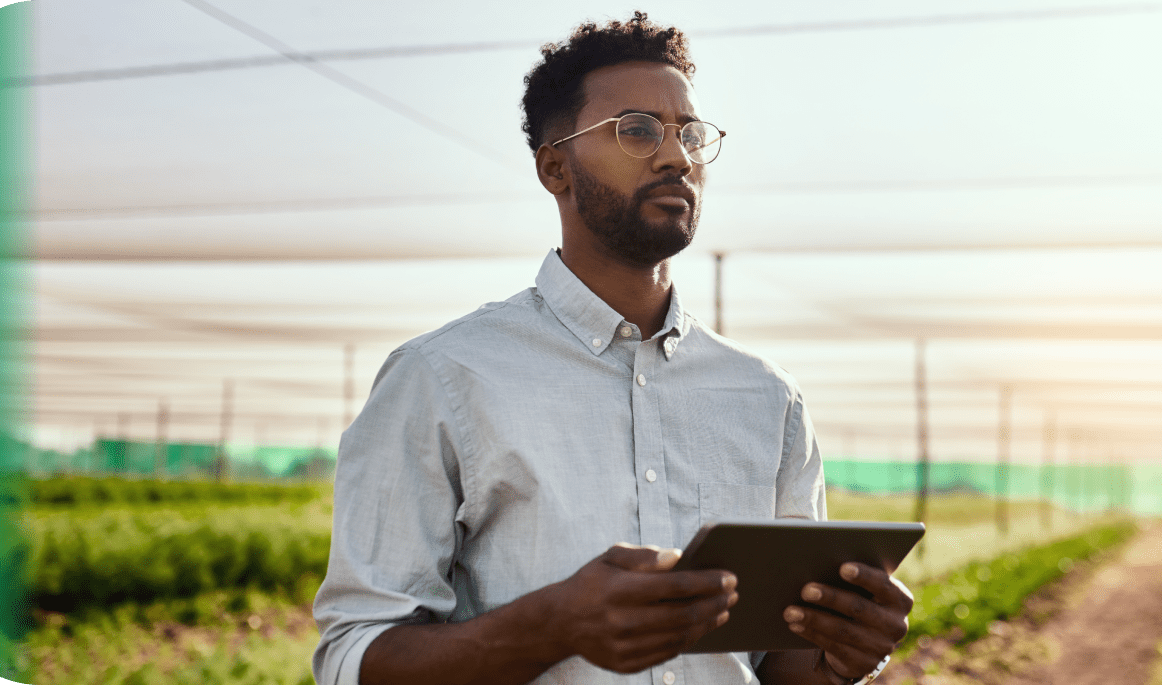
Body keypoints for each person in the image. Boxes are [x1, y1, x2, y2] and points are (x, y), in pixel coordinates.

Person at [311, 12, 912, 685]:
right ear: (554, 167)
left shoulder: (767, 396)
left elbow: (775, 665)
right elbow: (352, 659)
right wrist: (553, 625)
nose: (675, 156)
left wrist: (838, 656)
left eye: (689, 133)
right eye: (637, 130)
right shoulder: (443, 377)